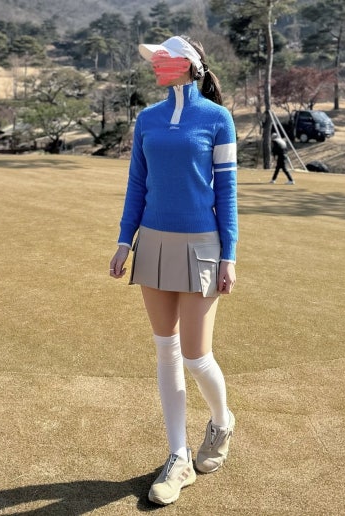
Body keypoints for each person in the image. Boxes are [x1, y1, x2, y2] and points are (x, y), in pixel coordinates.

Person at [109, 35, 238, 506]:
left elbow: (227, 191)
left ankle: (221, 422)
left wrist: (229, 255)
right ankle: (178, 456)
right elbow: (137, 184)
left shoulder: (217, 118)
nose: (155, 64)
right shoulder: (147, 119)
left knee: (196, 356)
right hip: (153, 243)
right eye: (154, 59)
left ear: (187, 64)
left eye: (163, 58)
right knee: (166, 351)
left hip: (202, 246)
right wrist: (124, 241)